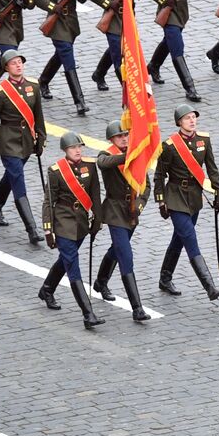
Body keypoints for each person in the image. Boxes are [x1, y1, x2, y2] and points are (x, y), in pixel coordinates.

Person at [154, 105, 219, 301]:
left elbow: (212, 168)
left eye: (193, 117)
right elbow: (159, 176)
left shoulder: (204, 140)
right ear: (179, 122)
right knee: (190, 239)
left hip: (194, 197)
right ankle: (210, 287)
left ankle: (165, 278)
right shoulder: (169, 146)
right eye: (187, 118)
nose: (192, 121)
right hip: (175, 197)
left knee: (179, 238)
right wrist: (161, 201)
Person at [39, 131, 105, 329]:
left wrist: (98, 220)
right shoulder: (56, 171)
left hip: (81, 224)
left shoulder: (90, 166)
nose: (77, 150)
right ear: (65, 150)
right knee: (73, 267)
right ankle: (88, 313)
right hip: (63, 224)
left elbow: (95, 194)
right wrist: (48, 230)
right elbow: (48, 203)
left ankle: (47, 289)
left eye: (79, 147)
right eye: (72, 148)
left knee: (66, 260)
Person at [93, 119, 152, 322]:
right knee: (125, 255)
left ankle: (101, 282)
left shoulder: (136, 155)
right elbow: (102, 163)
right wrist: (127, 156)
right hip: (115, 211)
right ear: (112, 139)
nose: (124, 138)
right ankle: (137, 308)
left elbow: (146, 186)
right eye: (120, 136)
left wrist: (140, 205)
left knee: (116, 250)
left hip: (131, 212)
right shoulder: (107, 155)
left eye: (126, 135)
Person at [0, 49, 47, 242]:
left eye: (20, 61)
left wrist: (41, 139)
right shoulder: (0, 92)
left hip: (27, 140)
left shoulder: (33, 86)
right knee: (18, 180)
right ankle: (32, 229)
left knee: (11, 176)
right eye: (13, 63)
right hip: (8, 141)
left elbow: (38, 115)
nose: (18, 65)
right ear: (6, 68)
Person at [28, 0, 91, 115]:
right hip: (56, 23)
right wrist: (49, 6)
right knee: (68, 57)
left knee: (61, 54)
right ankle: (79, 101)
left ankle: (43, 80)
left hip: (70, 22)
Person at [84, 0, 141, 91]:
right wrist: (107, 4)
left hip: (128, 18)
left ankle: (99, 73)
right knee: (119, 57)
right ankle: (128, 91)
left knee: (116, 48)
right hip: (113, 19)